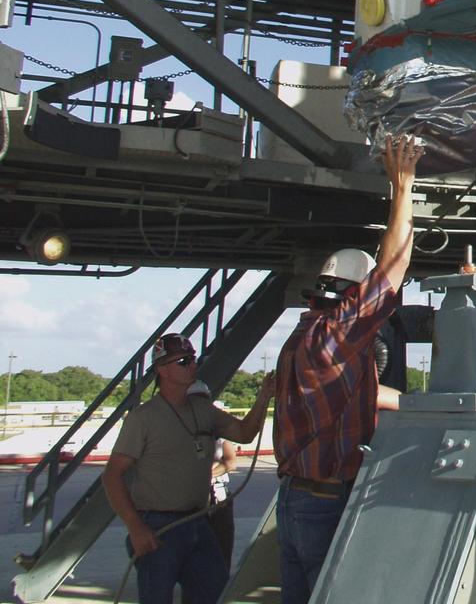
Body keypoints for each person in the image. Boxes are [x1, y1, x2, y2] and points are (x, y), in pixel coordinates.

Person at [272, 134, 423, 604]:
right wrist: (403, 187)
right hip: (324, 501)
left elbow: (357, 395)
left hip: (295, 500)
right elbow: (394, 267)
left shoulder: (297, 340)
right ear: (351, 295)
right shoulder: (336, 335)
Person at [103, 334, 273, 604]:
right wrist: (136, 528)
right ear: (163, 371)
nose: (192, 365)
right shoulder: (143, 418)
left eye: (192, 359)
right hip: (158, 527)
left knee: (212, 588)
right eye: (183, 361)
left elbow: (244, 433)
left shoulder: (204, 411)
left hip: (197, 521)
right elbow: (112, 475)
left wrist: (264, 397)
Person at [185, 380, 237, 573]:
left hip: (218, 499)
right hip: (191, 501)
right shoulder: (179, 428)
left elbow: (231, 462)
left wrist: (208, 474)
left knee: (222, 550)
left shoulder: (218, 428)